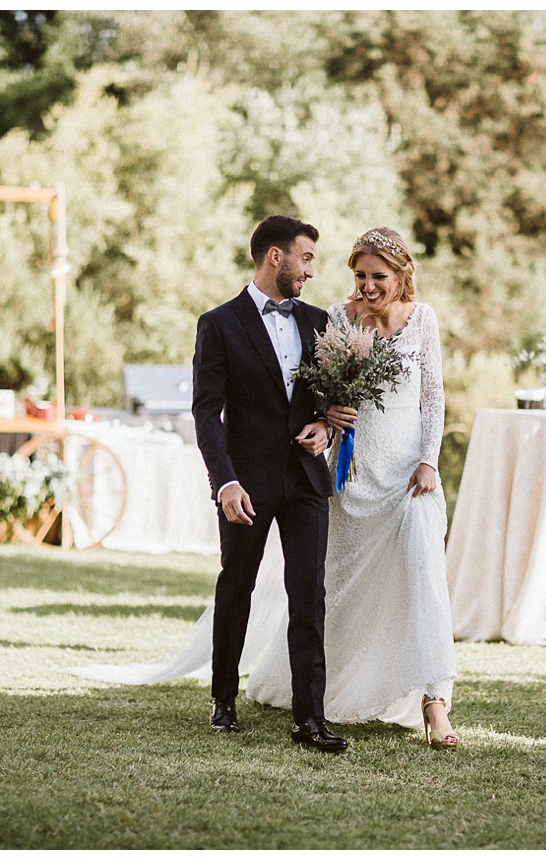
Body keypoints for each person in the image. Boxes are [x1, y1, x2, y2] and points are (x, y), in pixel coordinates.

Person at [243, 226, 459, 749]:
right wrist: (328, 413)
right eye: (360, 276)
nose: (367, 286)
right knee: (338, 588)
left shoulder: (422, 320)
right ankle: (324, 688)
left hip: (408, 477)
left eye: (378, 277)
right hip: (351, 475)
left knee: (423, 579)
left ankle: (436, 705)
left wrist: (429, 461)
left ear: (401, 275)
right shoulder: (336, 320)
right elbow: (315, 390)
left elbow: (433, 397)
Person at [189, 214, 347, 754]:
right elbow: (207, 414)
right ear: (275, 257)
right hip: (246, 483)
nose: (310, 271)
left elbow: (334, 400)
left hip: (305, 478)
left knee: (309, 593)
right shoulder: (219, 323)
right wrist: (224, 482)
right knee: (237, 586)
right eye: (305, 258)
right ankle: (223, 700)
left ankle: (311, 717)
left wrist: (325, 426)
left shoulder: (321, 321)